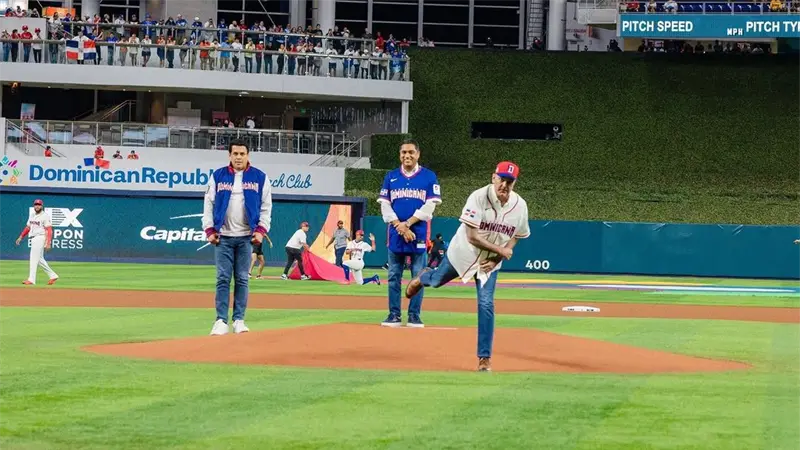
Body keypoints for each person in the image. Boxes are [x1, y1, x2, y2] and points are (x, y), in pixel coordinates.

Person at [405, 162, 530, 372]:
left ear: (515, 183)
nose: (505, 185)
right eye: (502, 179)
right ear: (493, 178)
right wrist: (501, 252)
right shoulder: (478, 197)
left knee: (486, 304)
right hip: (462, 254)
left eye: (510, 181)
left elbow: (517, 235)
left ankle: (484, 358)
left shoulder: (520, 206)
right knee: (436, 281)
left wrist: (496, 259)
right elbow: (472, 237)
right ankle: (424, 276)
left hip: (489, 264)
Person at [202, 140, 272, 336]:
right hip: (222, 236)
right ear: (229, 156)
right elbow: (208, 204)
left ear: (248, 155)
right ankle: (221, 321)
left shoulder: (260, 177)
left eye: (242, 153)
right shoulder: (218, 176)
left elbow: (266, 207)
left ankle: (239, 320)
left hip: (246, 237)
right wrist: (209, 230)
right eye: (235, 153)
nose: (239, 157)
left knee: (242, 279)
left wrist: (261, 230)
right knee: (223, 279)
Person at [377, 138, 441, 328]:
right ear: (400, 155)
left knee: (418, 277)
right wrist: (400, 226)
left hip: (419, 233)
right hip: (396, 234)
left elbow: (430, 207)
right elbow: (385, 206)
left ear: (418, 154)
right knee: (393, 277)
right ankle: (394, 315)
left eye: (411, 152)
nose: (407, 155)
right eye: (404, 152)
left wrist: (408, 224)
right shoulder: (391, 177)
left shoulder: (429, 177)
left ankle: (414, 316)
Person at [15, 199, 59, 285]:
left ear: (42, 206)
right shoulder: (32, 215)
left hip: (40, 237)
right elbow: (28, 227)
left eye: (39, 205)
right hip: (34, 237)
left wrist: (48, 242)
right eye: (36, 204)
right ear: (34, 206)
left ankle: (31, 279)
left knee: (33, 258)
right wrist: (21, 237)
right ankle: (53, 275)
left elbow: (49, 230)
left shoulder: (45, 216)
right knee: (39, 259)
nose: (37, 206)